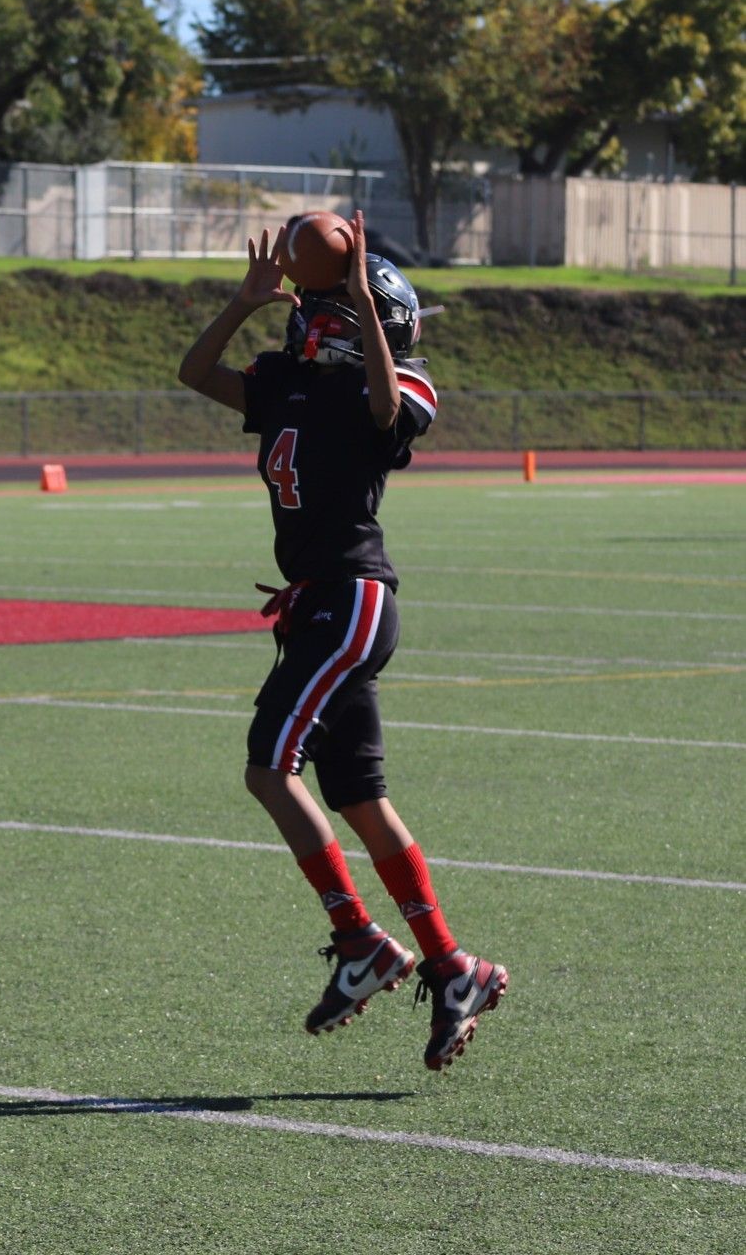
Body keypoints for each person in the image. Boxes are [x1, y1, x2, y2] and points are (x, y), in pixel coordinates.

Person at [178, 210, 508, 1071]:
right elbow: (195, 371)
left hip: (352, 602)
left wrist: (359, 300)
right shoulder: (286, 379)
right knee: (358, 796)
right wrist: (245, 302)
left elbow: (383, 401)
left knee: (267, 768)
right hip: (315, 605)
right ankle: (451, 967)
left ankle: (360, 938)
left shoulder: (396, 386)